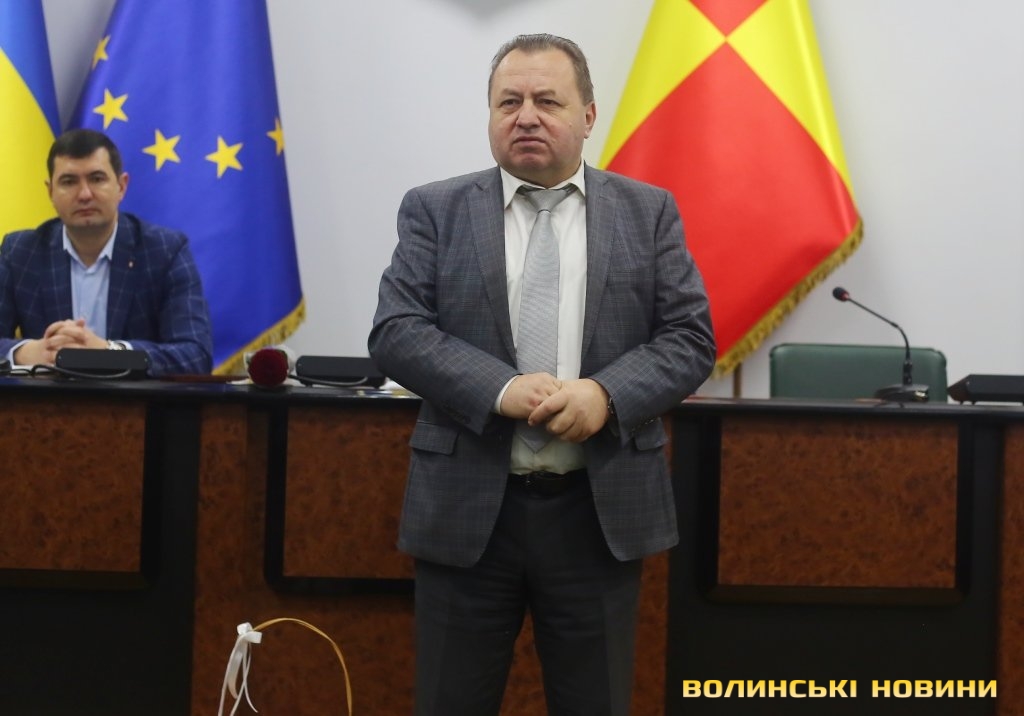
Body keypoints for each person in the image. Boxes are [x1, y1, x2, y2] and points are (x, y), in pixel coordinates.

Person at [368, 34, 715, 715]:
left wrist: (605, 395)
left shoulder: (647, 212)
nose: (525, 116)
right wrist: (499, 389)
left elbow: (688, 338)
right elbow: (397, 330)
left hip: (597, 513)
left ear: (588, 116)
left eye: (547, 101)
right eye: (509, 102)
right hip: (469, 511)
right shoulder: (435, 209)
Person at [0, 128, 213, 376]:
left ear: (121, 186)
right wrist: (25, 352)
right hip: (46, 400)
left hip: (134, 400)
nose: (84, 194)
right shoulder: (20, 252)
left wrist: (109, 352)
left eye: (97, 179)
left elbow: (196, 355)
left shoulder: (166, 251)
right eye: (69, 182)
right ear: (50, 192)